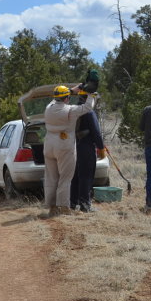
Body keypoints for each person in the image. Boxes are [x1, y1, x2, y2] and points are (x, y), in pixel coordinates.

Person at [43, 84, 97, 216]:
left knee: (51, 178)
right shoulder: (70, 110)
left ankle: (52, 207)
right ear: (67, 98)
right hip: (64, 146)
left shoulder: (48, 107)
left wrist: (71, 90)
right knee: (65, 178)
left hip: (49, 145)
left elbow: (57, 99)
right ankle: (64, 207)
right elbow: (88, 107)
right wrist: (90, 94)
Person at [69, 89, 106, 212]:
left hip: (73, 146)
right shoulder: (89, 112)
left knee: (75, 176)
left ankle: (72, 203)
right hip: (86, 147)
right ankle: (85, 205)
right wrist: (101, 147)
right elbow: (96, 132)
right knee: (86, 176)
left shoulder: (73, 109)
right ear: (90, 98)